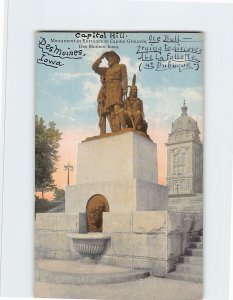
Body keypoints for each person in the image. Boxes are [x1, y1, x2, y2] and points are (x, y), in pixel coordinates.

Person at [92, 51, 127, 132]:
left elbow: (124, 77)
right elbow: (94, 67)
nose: (109, 62)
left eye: (111, 60)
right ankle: (116, 130)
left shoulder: (121, 66)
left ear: (115, 59)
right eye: (108, 60)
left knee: (117, 109)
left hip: (117, 89)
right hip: (108, 93)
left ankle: (124, 127)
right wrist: (100, 58)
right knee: (112, 113)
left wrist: (125, 88)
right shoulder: (106, 70)